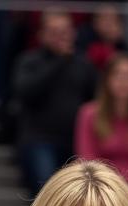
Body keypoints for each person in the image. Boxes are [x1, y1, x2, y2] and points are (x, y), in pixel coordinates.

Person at [12, 9, 97, 194]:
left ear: (74, 33)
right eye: (54, 32)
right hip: (40, 140)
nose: (61, 37)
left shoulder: (84, 65)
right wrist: (59, 61)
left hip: (75, 142)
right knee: (48, 193)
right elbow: (26, 92)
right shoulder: (30, 61)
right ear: (42, 35)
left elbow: (95, 101)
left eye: (65, 31)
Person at [73, 52, 128, 184]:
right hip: (102, 185)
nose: (124, 81)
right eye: (118, 74)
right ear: (106, 80)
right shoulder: (88, 113)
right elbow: (86, 158)